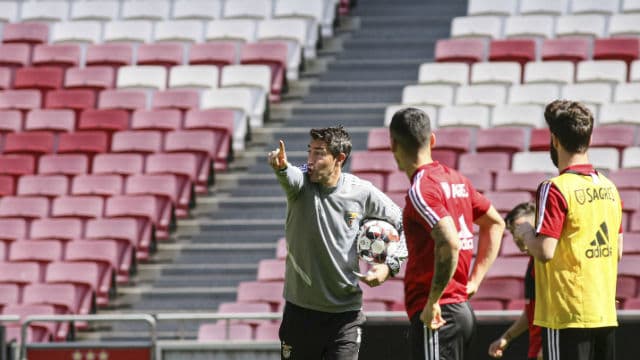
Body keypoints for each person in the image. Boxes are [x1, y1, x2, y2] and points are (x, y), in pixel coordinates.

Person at [267, 126, 407, 360]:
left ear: (339, 158)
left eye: (318, 153)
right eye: (309, 151)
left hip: (345, 317)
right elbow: (289, 173)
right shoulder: (301, 181)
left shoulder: (361, 192)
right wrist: (280, 167)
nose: (310, 160)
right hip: (300, 314)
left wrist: (389, 265)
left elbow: (405, 223)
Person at [388, 107, 505, 360]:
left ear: (393, 144)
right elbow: (495, 223)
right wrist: (474, 280)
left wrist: (433, 301)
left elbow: (450, 242)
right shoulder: (457, 180)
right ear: (432, 140)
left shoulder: (421, 189)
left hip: (439, 316)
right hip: (459, 310)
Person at [512, 100, 623, 360]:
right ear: (590, 138)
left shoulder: (555, 187)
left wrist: (525, 230)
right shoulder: (610, 188)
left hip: (567, 316)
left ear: (554, 139)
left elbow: (545, 251)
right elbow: (616, 253)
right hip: (604, 313)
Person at [488, 202, 542, 360]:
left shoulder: (545, 263)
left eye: (521, 228)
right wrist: (507, 337)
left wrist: (546, 346)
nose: (517, 237)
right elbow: (532, 311)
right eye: (513, 232)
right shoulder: (533, 262)